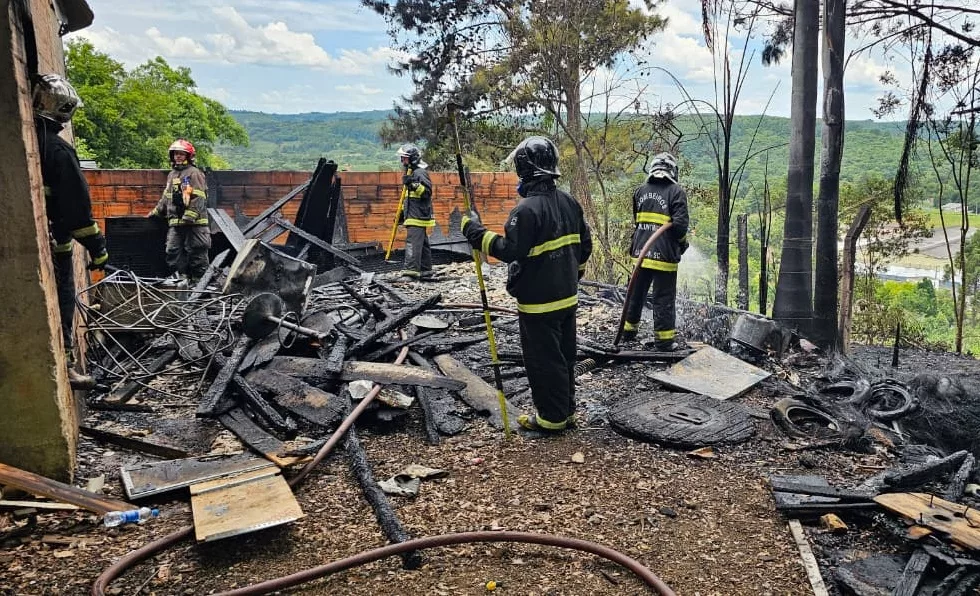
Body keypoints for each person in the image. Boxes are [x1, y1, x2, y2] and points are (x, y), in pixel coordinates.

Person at [462, 136, 592, 433]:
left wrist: (474, 231)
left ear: (524, 170)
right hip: (567, 298)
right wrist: (574, 274)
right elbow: (585, 246)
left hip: (538, 303)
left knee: (544, 362)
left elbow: (510, 251)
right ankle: (566, 411)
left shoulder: (526, 211)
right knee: (564, 356)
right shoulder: (569, 202)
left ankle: (551, 419)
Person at [33, 73, 108, 389]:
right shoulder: (59, 150)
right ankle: (66, 367)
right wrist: (98, 248)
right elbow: (78, 209)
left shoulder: (33, 138)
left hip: (46, 239)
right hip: (57, 244)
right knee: (65, 298)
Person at [620, 152, 689, 351]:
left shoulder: (640, 191)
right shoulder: (676, 192)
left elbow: (638, 221)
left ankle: (628, 332)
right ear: (673, 172)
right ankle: (664, 342)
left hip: (642, 252)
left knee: (636, 294)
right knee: (664, 299)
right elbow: (680, 227)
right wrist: (683, 244)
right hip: (665, 256)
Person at [148, 140, 210, 285]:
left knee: (197, 254)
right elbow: (166, 197)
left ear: (189, 156)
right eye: (176, 154)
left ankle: (199, 285)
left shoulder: (194, 173)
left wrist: (190, 216)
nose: (178, 157)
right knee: (172, 251)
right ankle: (181, 281)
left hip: (195, 225)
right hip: (176, 224)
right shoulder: (172, 175)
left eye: (182, 154)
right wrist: (156, 212)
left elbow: (199, 197)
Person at [396, 143, 435, 280]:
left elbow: (427, 193)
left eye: (404, 158)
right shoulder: (411, 173)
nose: (402, 161)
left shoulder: (420, 173)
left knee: (412, 243)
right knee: (422, 244)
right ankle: (425, 270)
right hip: (413, 214)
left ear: (412, 158)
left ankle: (410, 273)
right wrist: (402, 213)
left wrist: (412, 184)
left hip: (417, 216)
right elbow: (408, 198)